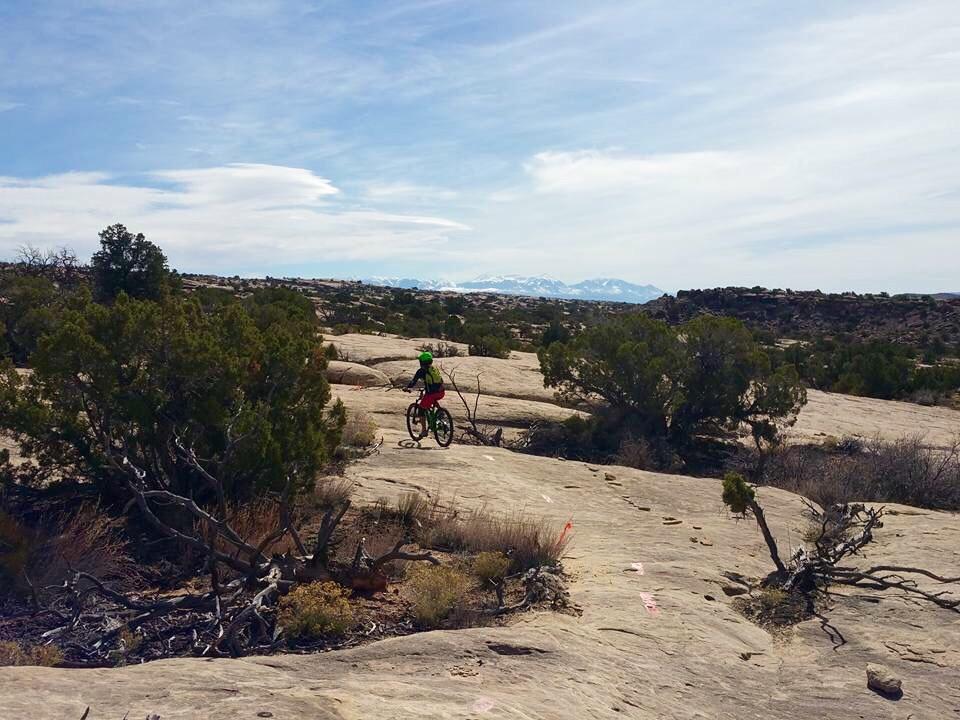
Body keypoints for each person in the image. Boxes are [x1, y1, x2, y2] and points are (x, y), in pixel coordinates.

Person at [404, 351, 445, 434]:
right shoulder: (434, 368)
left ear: (421, 362)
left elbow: (413, 381)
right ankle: (440, 411)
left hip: (432, 394)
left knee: (421, 409)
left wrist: (408, 388)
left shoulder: (421, 371)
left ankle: (423, 431)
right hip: (441, 392)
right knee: (431, 399)